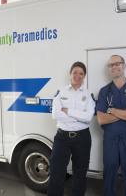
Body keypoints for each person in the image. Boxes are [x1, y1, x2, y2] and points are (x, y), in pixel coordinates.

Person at [96, 55, 126, 196]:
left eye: (117, 63)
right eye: (111, 65)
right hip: (110, 138)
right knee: (109, 173)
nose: (114, 67)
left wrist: (111, 110)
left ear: (124, 66)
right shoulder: (104, 91)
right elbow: (101, 119)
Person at [47, 61, 96, 196]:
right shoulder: (60, 91)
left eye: (81, 73)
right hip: (62, 138)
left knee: (80, 173)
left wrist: (67, 110)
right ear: (70, 73)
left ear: (84, 76)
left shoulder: (88, 94)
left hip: (82, 138)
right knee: (57, 172)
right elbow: (56, 114)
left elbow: (88, 117)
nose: (77, 76)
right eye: (75, 72)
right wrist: (79, 116)